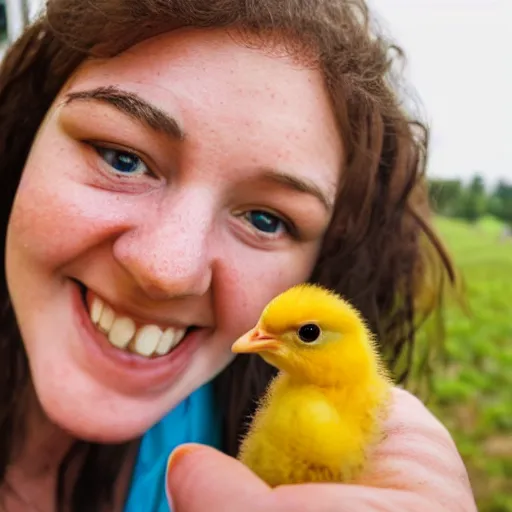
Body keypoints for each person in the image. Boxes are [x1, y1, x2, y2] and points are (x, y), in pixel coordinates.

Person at [0, 1, 477, 511]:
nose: (168, 270)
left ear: (320, 268)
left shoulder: (274, 467)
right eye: (123, 158)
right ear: (23, 136)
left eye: (265, 220)